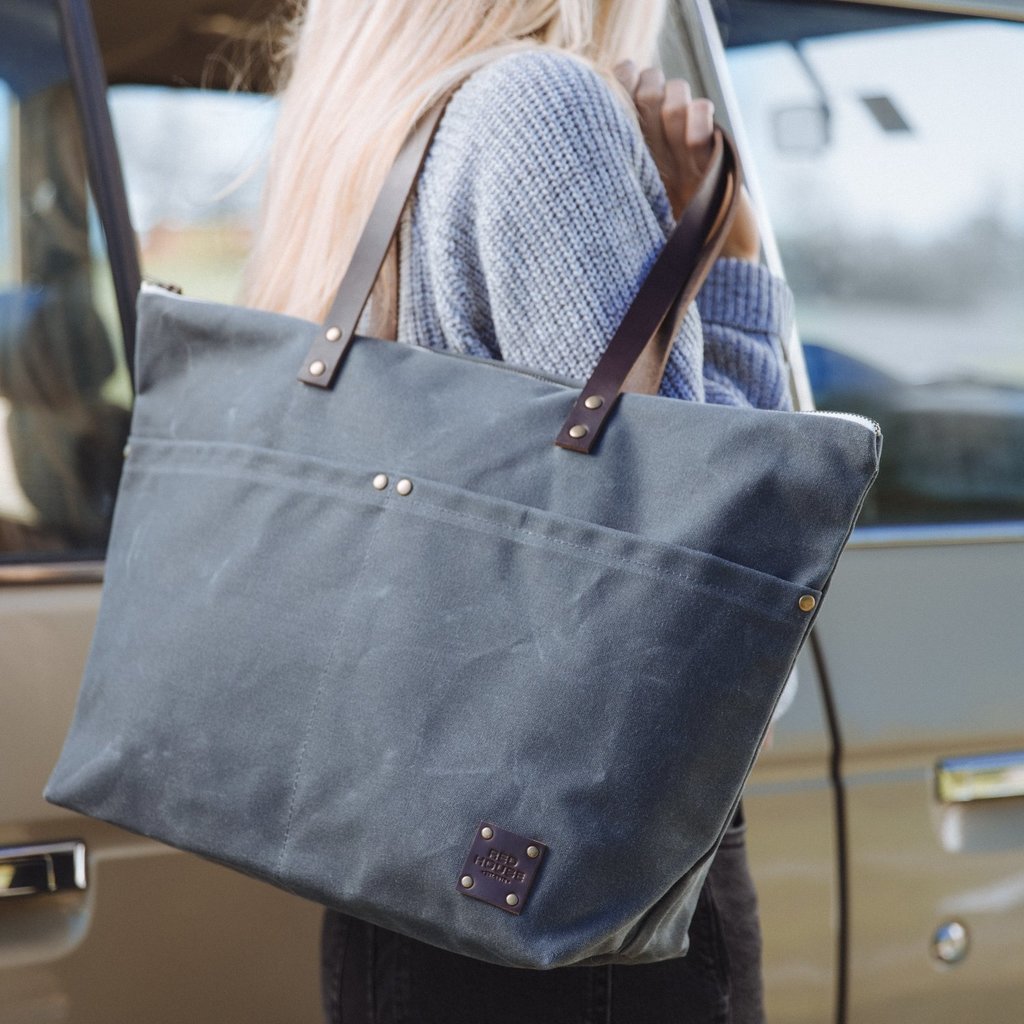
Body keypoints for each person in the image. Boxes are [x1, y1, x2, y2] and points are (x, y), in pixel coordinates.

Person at [244, 2, 794, 1021]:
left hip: (388, 890)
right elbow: (717, 608)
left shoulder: (355, 135)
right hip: (578, 905)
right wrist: (731, 263)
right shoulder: (544, 107)